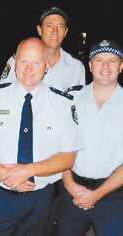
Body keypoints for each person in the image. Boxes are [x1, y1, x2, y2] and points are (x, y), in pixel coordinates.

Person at [0, 37, 80, 236]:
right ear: (15, 65)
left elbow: (68, 157)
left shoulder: (63, 105)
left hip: (40, 201)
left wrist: (28, 170)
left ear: (47, 65)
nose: (29, 68)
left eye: (36, 62)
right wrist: (4, 173)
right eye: (23, 62)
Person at [55, 40, 123, 236]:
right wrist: (69, 184)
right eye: (99, 60)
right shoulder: (71, 99)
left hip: (113, 193)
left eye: (112, 61)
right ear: (90, 65)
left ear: (121, 66)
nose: (106, 66)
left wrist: (97, 194)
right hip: (72, 189)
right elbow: (61, 146)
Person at [0, 6, 86, 91]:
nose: (55, 31)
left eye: (60, 26)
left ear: (65, 32)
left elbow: (79, 102)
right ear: (39, 30)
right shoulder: (18, 60)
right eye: (49, 26)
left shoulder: (76, 67)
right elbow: (3, 95)